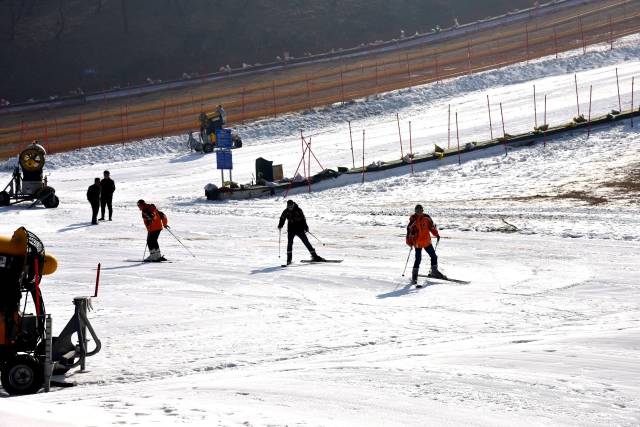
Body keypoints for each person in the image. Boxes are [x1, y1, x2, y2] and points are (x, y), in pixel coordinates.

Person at [277, 200, 324, 265]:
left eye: (291, 206)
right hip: (291, 230)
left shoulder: (298, 210)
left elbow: (303, 219)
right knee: (290, 244)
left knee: (306, 242)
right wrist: (280, 225)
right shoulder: (286, 211)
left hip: (299, 229)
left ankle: (314, 256)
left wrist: (306, 227)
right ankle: (289, 260)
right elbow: (282, 218)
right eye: (288, 207)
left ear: (293, 205)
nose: (290, 208)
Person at [406, 204, 443, 284]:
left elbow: (432, 227)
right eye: (417, 211)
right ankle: (414, 276)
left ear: (423, 210)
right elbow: (409, 232)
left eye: (421, 210)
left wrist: (436, 234)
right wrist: (409, 243)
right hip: (417, 243)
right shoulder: (413, 220)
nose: (419, 212)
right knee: (418, 259)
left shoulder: (427, 218)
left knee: (434, 256)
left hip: (426, 242)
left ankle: (434, 271)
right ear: (415, 211)